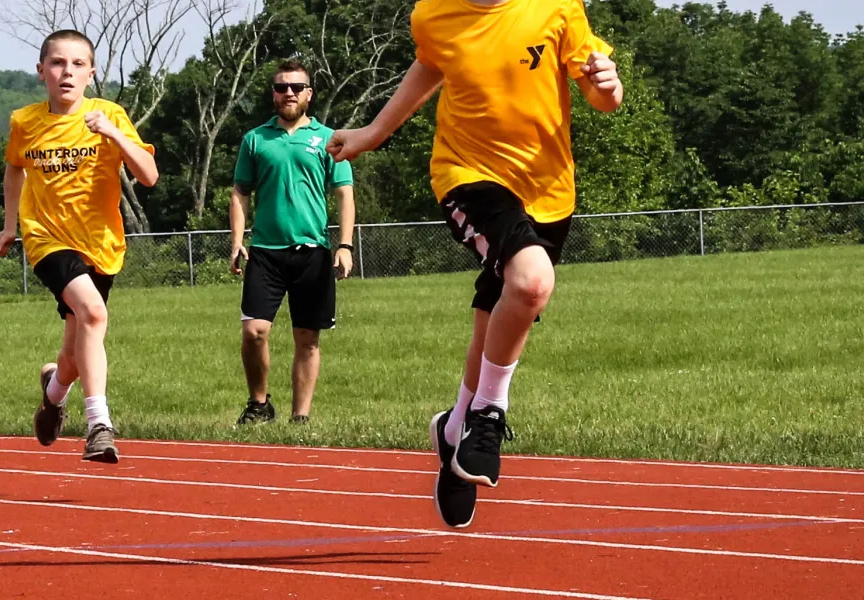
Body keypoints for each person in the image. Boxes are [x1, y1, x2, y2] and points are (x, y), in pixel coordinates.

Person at [327, 0, 623, 528]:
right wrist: (374, 132)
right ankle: (488, 415)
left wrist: (607, 84)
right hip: (467, 175)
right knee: (532, 283)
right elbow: (431, 65)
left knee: (498, 318)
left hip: (550, 192)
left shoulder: (557, 7)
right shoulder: (434, 13)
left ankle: (456, 426)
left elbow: (601, 97)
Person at [0, 29, 158, 463]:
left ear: (91, 72)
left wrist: (114, 136)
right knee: (94, 313)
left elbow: (149, 175)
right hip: (47, 238)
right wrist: (11, 226)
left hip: (101, 243)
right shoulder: (24, 122)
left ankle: (53, 392)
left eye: (78, 64)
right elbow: (14, 171)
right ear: (41, 71)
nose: (67, 72)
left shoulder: (110, 114)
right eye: (58, 63)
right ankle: (99, 424)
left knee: (73, 350)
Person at [229, 59, 356, 426]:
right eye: (282, 87)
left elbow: (344, 194)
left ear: (309, 94)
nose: (288, 93)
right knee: (254, 332)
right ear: (273, 93)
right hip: (266, 252)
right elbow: (240, 192)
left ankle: (300, 417)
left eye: (296, 87)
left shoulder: (329, 139)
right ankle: (259, 404)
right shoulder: (256, 139)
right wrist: (237, 241)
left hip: (312, 252)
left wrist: (344, 245)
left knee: (307, 337)